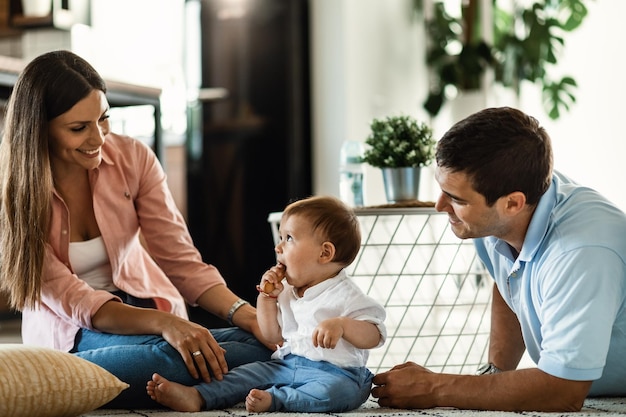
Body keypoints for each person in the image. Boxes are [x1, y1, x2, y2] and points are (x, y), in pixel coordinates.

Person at [0, 50, 273, 409]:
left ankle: (100, 377)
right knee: (170, 359)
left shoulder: (132, 158)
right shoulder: (13, 192)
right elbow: (81, 304)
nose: (98, 138)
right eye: (79, 128)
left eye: (103, 119)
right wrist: (165, 325)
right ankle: (63, 370)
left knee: (257, 342)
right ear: (40, 130)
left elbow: (181, 262)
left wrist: (249, 315)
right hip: (74, 330)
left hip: (147, 308)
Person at [371, 106, 626, 412]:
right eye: (442, 190)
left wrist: (435, 387)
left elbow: (562, 391)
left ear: (513, 203)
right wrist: (496, 372)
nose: (440, 206)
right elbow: (509, 281)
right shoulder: (511, 204)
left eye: (457, 199)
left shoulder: (580, 253)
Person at [146, 195, 387, 412]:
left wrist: (343, 325)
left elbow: (375, 335)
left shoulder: (345, 295)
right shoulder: (288, 292)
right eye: (281, 237)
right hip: (289, 364)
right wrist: (267, 299)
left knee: (336, 393)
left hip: (338, 373)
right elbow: (272, 335)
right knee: (245, 374)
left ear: (325, 253)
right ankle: (198, 397)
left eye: (289, 238)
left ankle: (277, 399)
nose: (278, 247)